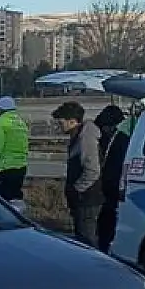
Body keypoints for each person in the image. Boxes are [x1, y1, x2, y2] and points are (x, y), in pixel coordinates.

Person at [52, 101, 104, 247]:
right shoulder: (79, 136)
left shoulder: (85, 139)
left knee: (87, 240)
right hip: (83, 198)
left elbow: (92, 170)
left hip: (87, 198)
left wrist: (77, 189)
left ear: (72, 121)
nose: (58, 126)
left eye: (61, 122)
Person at [95, 105, 128, 252]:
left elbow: (114, 166)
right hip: (112, 187)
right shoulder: (118, 137)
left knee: (108, 223)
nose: (103, 132)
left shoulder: (121, 139)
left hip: (114, 187)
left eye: (104, 128)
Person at [0, 96, 30, 201]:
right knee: (15, 198)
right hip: (21, 168)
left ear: (1, 109)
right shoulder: (21, 123)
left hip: (4, 168)